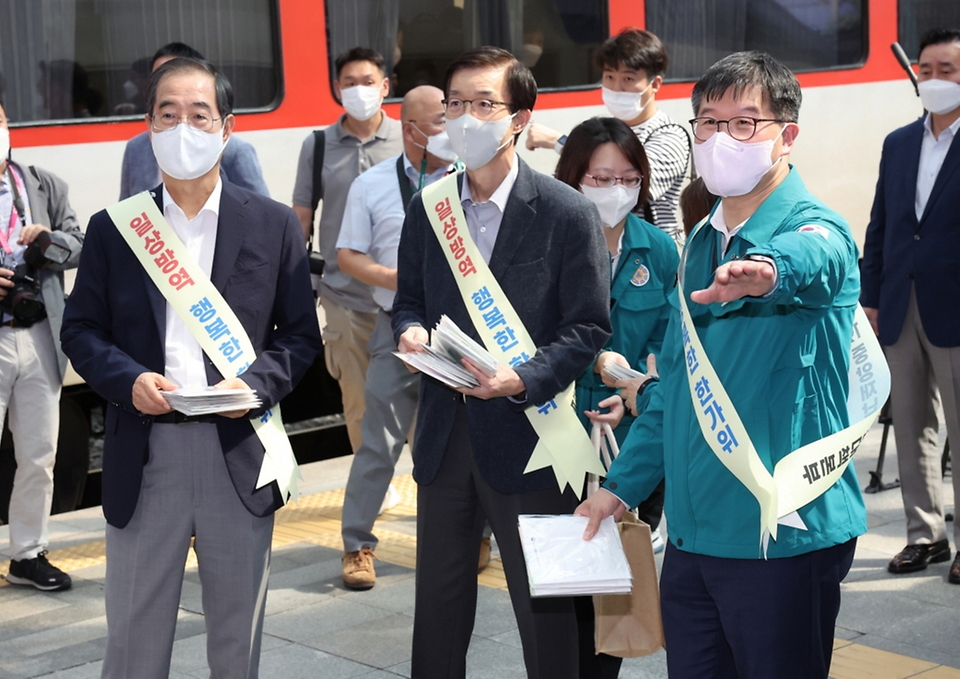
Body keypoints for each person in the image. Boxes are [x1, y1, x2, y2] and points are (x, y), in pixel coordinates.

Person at [575, 51, 866, 679]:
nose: (719, 138)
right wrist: (619, 491)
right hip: (694, 539)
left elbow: (812, 257)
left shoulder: (816, 228)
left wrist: (767, 272)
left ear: (786, 136)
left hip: (780, 536)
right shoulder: (702, 242)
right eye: (708, 122)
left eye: (743, 123)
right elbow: (675, 393)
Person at [60, 57, 321, 678]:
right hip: (148, 452)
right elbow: (81, 330)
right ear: (148, 126)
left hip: (238, 449)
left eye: (198, 114)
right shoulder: (115, 229)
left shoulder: (274, 224)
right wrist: (129, 381)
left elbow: (299, 338)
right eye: (167, 113)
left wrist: (253, 386)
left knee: (238, 640)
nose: (183, 127)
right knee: (133, 638)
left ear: (226, 128)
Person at [392, 46, 611, 678]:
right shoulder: (429, 208)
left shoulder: (567, 212)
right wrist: (408, 334)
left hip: (532, 436)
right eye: (455, 103)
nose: (465, 116)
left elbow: (589, 326)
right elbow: (407, 303)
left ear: (519, 117)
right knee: (437, 607)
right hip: (443, 436)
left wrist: (525, 377)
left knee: (547, 610)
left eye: (483, 103)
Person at [555, 116, 678, 678]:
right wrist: (591, 374)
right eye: (600, 178)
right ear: (574, 178)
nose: (615, 190)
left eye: (628, 178)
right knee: (562, 587)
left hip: (627, 443)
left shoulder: (657, 249)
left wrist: (631, 392)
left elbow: (665, 342)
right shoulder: (545, 243)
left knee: (612, 577)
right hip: (554, 437)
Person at [335, 85, 457, 590]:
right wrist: (397, 279)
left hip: (463, 334)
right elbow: (348, 255)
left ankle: (476, 536)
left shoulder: (468, 182)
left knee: (465, 440)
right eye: (441, 121)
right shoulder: (371, 184)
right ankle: (357, 545)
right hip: (397, 330)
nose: (452, 131)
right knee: (377, 442)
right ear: (410, 129)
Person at [861, 28, 960, 583]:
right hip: (901, 302)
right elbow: (882, 225)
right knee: (911, 425)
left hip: (955, 305)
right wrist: (871, 297)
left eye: (947, 70)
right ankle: (925, 535)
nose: (934, 80)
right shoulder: (899, 142)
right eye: (927, 69)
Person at [292, 46, 403, 451]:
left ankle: (429, 487)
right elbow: (302, 215)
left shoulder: (405, 141)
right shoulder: (318, 145)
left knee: (419, 402)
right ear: (337, 88)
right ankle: (374, 490)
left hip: (402, 298)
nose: (359, 90)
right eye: (350, 83)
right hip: (343, 296)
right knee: (358, 401)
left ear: (385, 86)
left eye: (368, 82)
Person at [0, 96, 83, 591]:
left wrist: (47, 240)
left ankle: (28, 554)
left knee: (39, 453)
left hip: (39, 335)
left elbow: (79, 242)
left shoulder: (42, 183)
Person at [526, 28, 689, 242]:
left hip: (649, 252)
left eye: (628, 78)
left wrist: (560, 143)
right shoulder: (602, 130)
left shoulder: (669, 136)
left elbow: (636, 190)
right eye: (609, 76)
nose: (616, 87)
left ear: (655, 84)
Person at [119, 42, 270, 200]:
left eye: (198, 116)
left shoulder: (236, 151)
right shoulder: (136, 148)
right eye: (169, 115)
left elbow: (261, 212)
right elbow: (124, 211)